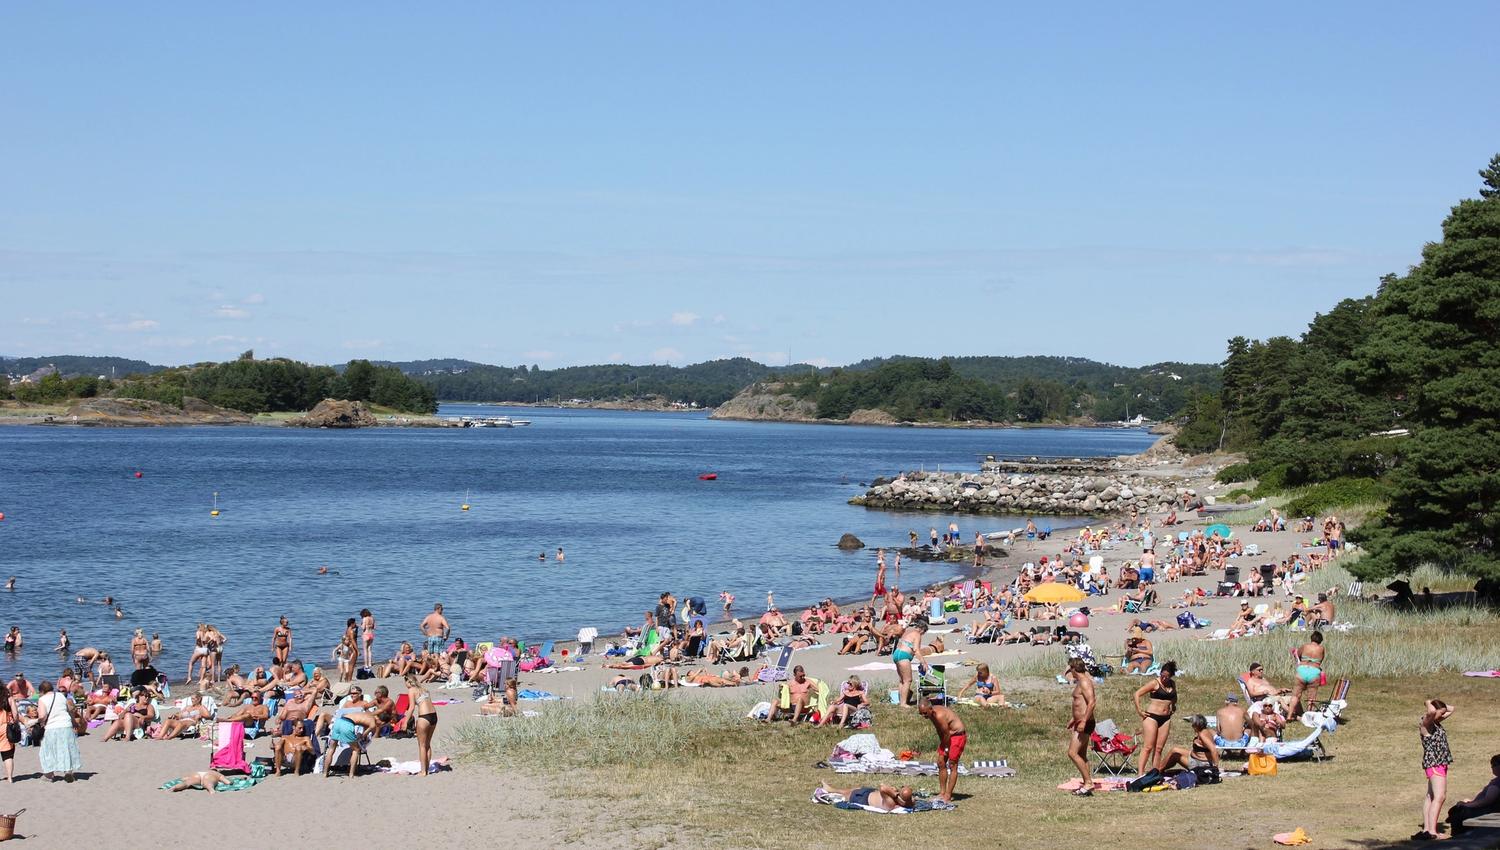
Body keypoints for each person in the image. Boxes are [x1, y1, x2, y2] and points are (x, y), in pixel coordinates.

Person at [1416, 699, 1455, 841]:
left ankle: (1427, 829)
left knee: (1431, 797)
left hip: (1440, 763)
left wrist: (1441, 707)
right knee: (1440, 797)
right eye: (1441, 713)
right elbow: (1432, 712)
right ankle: (1433, 832)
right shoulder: (1426, 723)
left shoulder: (1435, 723)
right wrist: (1428, 702)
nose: (1442, 716)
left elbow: (1452, 708)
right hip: (1435, 763)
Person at [1132, 660, 1178, 775]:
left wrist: (1173, 706)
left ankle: (1155, 773)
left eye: (1167, 676)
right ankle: (1140, 773)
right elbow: (1137, 694)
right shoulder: (1154, 683)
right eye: (1162, 675)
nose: (1164, 678)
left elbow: (1174, 697)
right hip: (1152, 717)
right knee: (1148, 747)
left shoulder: (1172, 684)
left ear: (1171, 676)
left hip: (1166, 718)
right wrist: (1139, 710)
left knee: (1158, 748)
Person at [918, 699, 965, 807]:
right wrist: (943, 745)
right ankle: (942, 793)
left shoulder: (939, 715)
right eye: (920, 713)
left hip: (957, 736)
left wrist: (947, 749)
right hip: (947, 737)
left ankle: (948, 796)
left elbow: (947, 733)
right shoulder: (931, 715)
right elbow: (941, 732)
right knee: (941, 763)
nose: (923, 715)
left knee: (952, 764)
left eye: (925, 713)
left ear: (931, 709)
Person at [36, 680, 82, 782]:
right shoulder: (61, 696)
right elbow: (69, 710)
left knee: (48, 750)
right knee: (66, 748)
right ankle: (68, 772)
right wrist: (74, 722)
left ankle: (49, 775)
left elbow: (43, 716)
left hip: (52, 727)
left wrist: (36, 721)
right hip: (66, 725)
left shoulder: (42, 699)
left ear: (42, 691)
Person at [1064, 656, 1097, 796]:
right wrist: (1074, 718)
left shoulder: (1084, 682)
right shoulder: (1081, 682)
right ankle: (1086, 783)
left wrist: (1083, 721)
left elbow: (1091, 702)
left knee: (1072, 753)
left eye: (1069, 668)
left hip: (1085, 722)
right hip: (1081, 721)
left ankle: (1089, 783)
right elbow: (1080, 703)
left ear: (1073, 668)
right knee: (1082, 755)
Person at [1449, 753, 1500, 836]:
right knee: (1456, 810)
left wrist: (1469, 805)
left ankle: (1459, 838)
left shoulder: (1498, 782)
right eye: (1492, 765)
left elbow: (1487, 800)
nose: (1492, 767)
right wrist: (1471, 802)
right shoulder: (1497, 780)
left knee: (1457, 812)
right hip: (1486, 809)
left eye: (1495, 765)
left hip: (1487, 811)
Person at [403, 675, 438, 777]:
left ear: (408, 682)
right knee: (427, 744)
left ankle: (423, 772)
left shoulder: (411, 690)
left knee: (422, 745)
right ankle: (426, 769)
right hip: (433, 716)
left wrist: (405, 722)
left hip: (424, 717)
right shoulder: (424, 689)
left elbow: (411, 708)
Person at [1290, 631, 1326, 718]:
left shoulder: (1305, 646)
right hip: (1314, 671)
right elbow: (1320, 661)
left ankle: (1289, 715)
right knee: (1311, 697)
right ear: (1320, 640)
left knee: (1296, 695)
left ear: (1311, 638)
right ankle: (1309, 716)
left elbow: (1297, 655)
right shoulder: (1321, 649)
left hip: (1302, 670)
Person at [894, 619, 928, 707]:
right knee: (908, 680)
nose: (922, 635)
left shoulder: (909, 631)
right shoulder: (917, 634)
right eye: (923, 633)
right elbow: (916, 650)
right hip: (904, 656)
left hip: (897, 653)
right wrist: (923, 662)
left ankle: (901, 700)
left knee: (902, 680)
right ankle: (903, 703)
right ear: (921, 629)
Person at [818, 782, 915, 812]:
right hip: (870, 792)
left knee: (845, 793)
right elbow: (912, 800)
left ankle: (830, 789)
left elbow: (882, 787)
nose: (896, 790)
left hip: (862, 798)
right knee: (850, 789)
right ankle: (831, 789)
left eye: (898, 792)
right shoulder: (910, 802)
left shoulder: (891, 802)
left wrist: (895, 794)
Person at [0, 692, 15, 782]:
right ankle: (10, 778)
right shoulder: (8, 699)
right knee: (7, 755)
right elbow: (15, 714)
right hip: (5, 727)